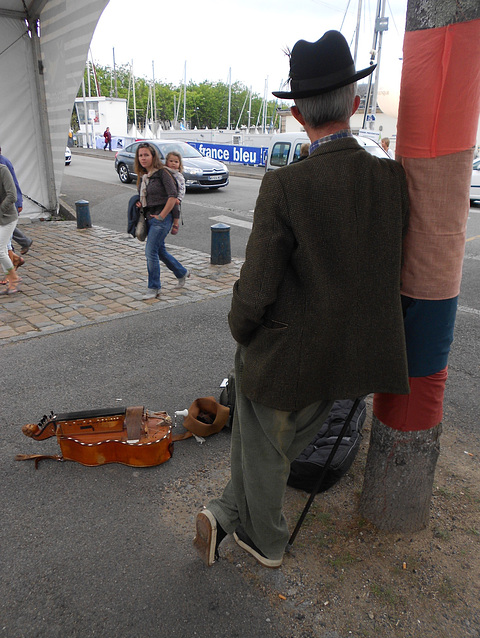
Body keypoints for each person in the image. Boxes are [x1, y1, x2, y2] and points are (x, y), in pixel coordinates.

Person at [193, 30, 410, 569]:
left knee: (259, 430)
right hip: (356, 353)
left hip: (293, 353)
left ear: (297, 116)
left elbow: (258, 286)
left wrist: (240, 329)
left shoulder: (286, 185)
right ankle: (225, 509)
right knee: (263, 437)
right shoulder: (392, 177)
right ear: (356, 105)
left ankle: (261, 540)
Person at [134, 142, 189, 299]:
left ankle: (154, 287)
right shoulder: (144, 176)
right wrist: (141, 203)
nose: (143, 158)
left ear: (153, 156)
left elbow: (173, 196)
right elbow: (149, 196)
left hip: (161, 218)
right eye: (140, 155)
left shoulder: (162, 173)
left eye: (146, 155)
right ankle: (181, 272)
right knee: (160, 251)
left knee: (150, 251)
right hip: (149, 217)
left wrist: (162, 216)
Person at [0, 163, 21, 295]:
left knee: (0, 250)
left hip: (7, 217)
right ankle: (15, 261)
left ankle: (14, 279)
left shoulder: (2, 170)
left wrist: (1, 209)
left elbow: (12, 195)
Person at [165, 150, 185, 235]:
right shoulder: (165, 172)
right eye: (171, 161)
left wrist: (179, 199)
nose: (173, 163)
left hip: (175, 197)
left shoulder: (179, 176)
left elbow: (182, 188)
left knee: (176, 209)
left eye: (176, 162)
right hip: (166, 196)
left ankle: (176, 223)